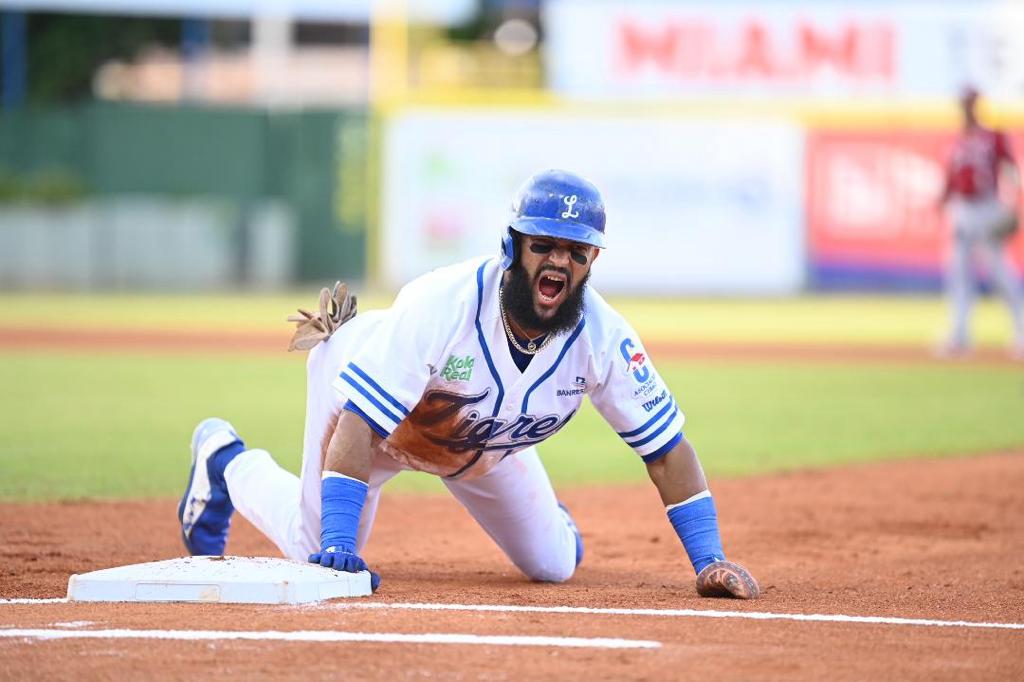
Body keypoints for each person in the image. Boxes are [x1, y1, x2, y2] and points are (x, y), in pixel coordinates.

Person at [177, 169, 759, 598]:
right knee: (316, 556)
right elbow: (359, 423)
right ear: (512, 245)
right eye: (543, 245)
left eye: (576, 251)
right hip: (374, 421)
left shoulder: (602, 337)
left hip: (485, 443)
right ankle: (225, 461)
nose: (558, 261)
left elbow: (666, 450)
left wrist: (709, 559)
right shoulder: (444, 303)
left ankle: (552, 527)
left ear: (591, 261)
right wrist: (340, 545)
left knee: (554, 566)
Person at [937, 86, 1024, 358]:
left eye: (969, 103)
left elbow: (1011, 168)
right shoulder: (957, 140)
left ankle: (1021, 331)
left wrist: (1014, 201)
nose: (965, 108)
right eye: (963, 104)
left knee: (1001, 273)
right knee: (958, 275)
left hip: (987, 206)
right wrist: (942, 200)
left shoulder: (992, 136)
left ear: (977, 106)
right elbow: (952, 178)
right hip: (962, 210)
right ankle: (960, 336)